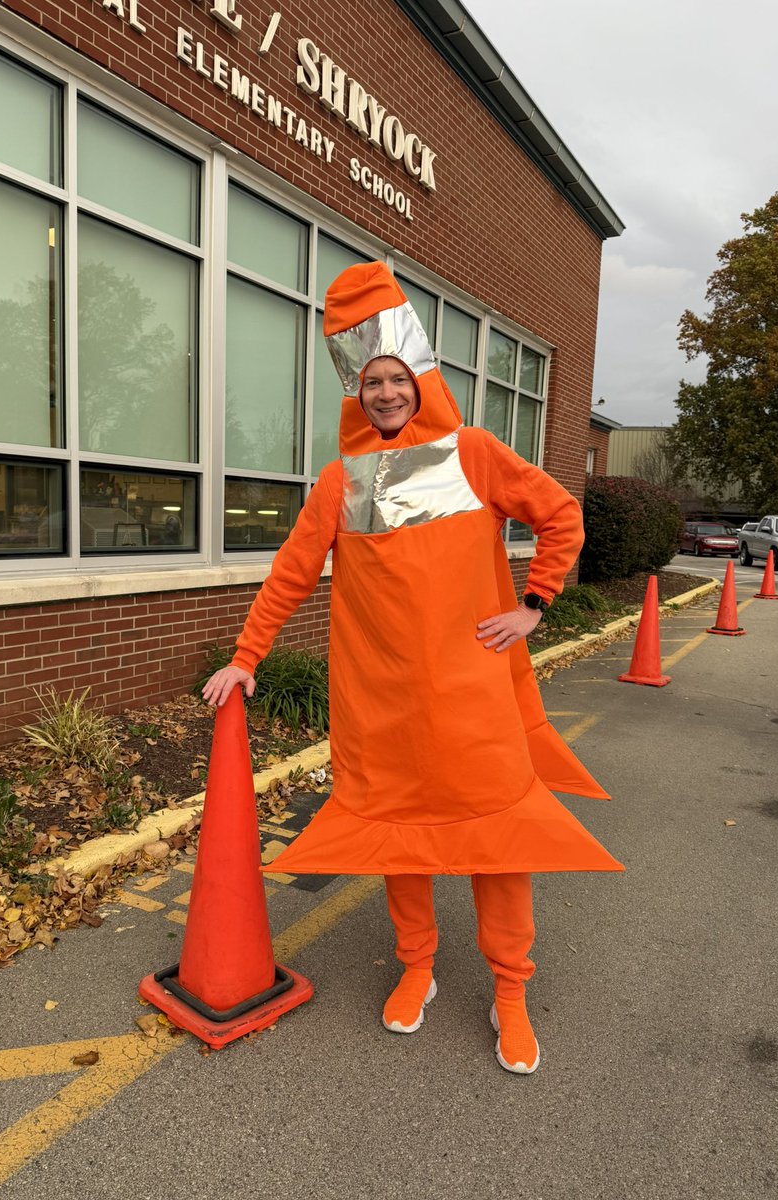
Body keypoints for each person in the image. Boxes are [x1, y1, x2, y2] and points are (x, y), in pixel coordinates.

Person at [203, 262, 623, 1075]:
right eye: (372, 382)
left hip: (474, 697)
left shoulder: (474, 453)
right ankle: (418, 967)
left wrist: (534, 605)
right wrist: (246, 657)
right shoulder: (339, 482)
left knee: (498, 842)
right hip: (382, 702)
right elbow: (291, 572)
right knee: (399, 839)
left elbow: (560, 515)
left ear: (421, 380)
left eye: (397, 377)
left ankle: (510, 990)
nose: (387, 392)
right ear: (355, 393)